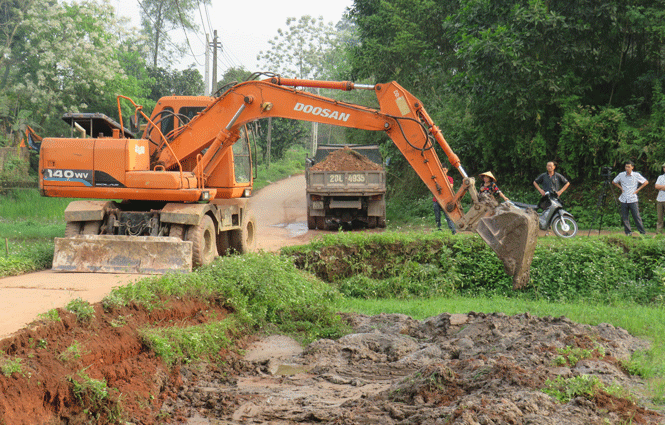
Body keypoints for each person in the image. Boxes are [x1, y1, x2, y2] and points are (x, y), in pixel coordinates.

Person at [612, 160, 648, 236]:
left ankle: (642, 233)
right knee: (625, 217)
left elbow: (645, 182)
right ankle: (628, 233)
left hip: (633, 198)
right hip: (624, 198)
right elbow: (614, 182)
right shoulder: (621, 175)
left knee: (636, 216)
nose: (627, 168)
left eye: (629, 167)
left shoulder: (636, 175)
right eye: (626, 166)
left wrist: (637, 190)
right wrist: (621, 188)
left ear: (632, 167)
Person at [655, 162, 665, 234]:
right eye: (664, 167)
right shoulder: (660, 177)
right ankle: (659, 234)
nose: (664, 168)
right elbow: (656, 186)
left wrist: (661, 187)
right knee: (659, 218)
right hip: (660, 199)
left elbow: (659, 186)